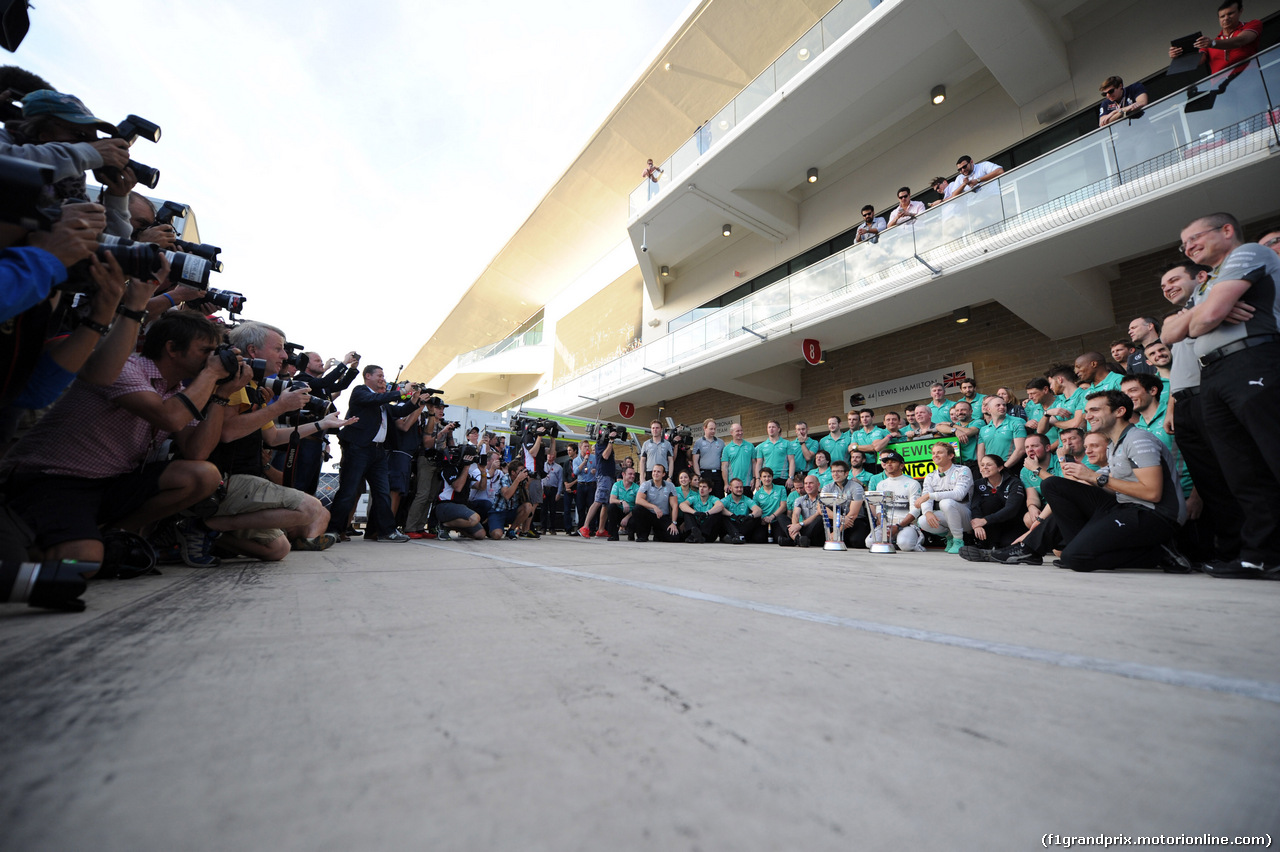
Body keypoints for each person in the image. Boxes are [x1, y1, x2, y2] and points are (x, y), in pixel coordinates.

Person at [0, 313, 232, 568]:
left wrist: (221, 395)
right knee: (80, 564)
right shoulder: (124, 368)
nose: (212, 359)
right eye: (206, 351)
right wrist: (210, 374)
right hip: (55, 478)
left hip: (111, 482)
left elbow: (197, 451)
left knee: (204, 475)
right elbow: (170, 418)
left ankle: (116, 536)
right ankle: (37, 543)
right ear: (172, 349)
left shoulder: (177, 392)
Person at [1162, 212, 1280, 577]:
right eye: (1184, 244)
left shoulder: (1247, 254)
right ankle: (1263, 553)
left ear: (1226, 231)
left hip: (1252, 360)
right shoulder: (1208, 282)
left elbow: (1208, 315)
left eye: (1195, 237)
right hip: (1213, 375)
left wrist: (1207, 313)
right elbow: (1168, 333)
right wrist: (1206, 311)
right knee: (1242, 471)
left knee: (1272, 456)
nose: (1190, 246)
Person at [967, 391, 1184, 571]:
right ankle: (1028, 548)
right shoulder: (1115, 444)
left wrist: (1093, 477)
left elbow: (1152, 493)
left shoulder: (1138, 440)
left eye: (1095, 410)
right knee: (1054, 485)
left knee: (1074, 559)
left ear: (1120, 412)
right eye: (1087, 411)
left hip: (1154, 515)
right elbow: (1091, 484)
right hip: (1123, 507)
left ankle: (1157, 553)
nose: (1087, 416)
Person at [204, 322, 353, 561]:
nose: (285, 357)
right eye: (279, 349)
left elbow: (273, 437)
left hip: (247, 478)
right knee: (311, 509)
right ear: (253, 351)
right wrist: (281, 406)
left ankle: (210, 535)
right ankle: (204, 526)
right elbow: (228, 432)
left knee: (278, 549)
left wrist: (322, 424)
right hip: (226, 478)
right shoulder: (234, 383)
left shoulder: (254, 387)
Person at [326, 365, 412, 543]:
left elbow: (400, 411)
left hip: (378, 453)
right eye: (380, 375)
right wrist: (403, 391)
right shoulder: (360, 392)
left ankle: (386, 531)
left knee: (382, 493)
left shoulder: (381, 403)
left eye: (383, 375)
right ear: (368, 376)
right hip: (359, 449)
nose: (383, 379)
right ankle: (333, 529)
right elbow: (373, 399)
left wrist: (417, 400)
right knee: (348, 491)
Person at [1167, 1, 1261, 75]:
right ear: (1219, 19)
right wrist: (1178, 55)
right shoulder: (1208, 43)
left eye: (1230, 13)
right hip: (1221, 87)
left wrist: (1213, 44)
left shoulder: (1252, 24)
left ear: (1240, 12)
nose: (1226, 18)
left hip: (1248, 75)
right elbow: (1198, 62)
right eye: (1222, 16)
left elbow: (1241, 40)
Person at [916, 442, 974, 554]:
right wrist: (927, 512)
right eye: (933, 453)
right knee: (922, 520)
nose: (935, 455)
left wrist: (930, 495)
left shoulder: (963, 470)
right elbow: (926, 499)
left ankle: (958, 540)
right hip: (948, 516)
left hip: (967, 517)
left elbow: (959, 494)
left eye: (939, 452)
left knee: (946, 503)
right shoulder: (930, 476)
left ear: (951, 456)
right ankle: (949, 536)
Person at [967, 454, 1028, 552]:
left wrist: (985, 520)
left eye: (989, 465)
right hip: (991, 526)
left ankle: (994, 545)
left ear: (1000, 468)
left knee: (1007, 545)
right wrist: (977, 523)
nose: (984, 467)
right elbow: (975, 506)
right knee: (989, 502)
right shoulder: (979, 483)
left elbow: (1011, 509)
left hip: (1012, 522)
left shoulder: (1014, 482)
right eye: (982, 465)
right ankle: (988, 544)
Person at [864, 451, 923, 551]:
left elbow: (916, 510)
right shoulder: (881, 485)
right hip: (886, 525)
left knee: (905, 545)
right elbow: (879, 508)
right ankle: (893, 542)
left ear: (901, 465)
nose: (889, 464)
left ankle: (914, 540)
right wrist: (882, 523)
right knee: (870, 543)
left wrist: (898, 526)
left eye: (893, 462)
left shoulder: (912, 483)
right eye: (887, 462)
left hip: (906, 525)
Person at [977, 395, 1027, 475]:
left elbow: (1020, 449)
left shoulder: (1016, 423)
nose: (1002, 407)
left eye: (1004, 405)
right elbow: (980, 453)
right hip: (990, 469)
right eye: (998, 405)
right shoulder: (983, 429)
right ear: (989, 409)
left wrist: (1003, 468)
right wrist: (982, 469)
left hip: (1010, 467)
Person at [826, 460, 869, 548]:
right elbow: (821, 508)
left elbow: (853, 514)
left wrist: (837, 531)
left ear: (846, 473)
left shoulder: (856, 487)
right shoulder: (828, 487)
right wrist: (841, 518)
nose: (835, 474)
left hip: (855, 520)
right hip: (837, 518)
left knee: (856, 542)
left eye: (839, 471)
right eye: (833, 471)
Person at [780, 474, 826, 548]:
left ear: (818, 485)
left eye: (811, 483)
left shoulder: (823, 499)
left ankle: (793, 541)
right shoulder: (799, 500)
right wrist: (795, 527)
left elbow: (818, 514)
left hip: (817, 532)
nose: (808, 485)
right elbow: (795, 515)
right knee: (781, 517)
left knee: (820, 517)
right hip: (804, 530)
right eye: (806, 483)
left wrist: (800, 524)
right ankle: (798, 539)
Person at [679, 478, 725, 543]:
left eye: (704, 487)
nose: (701, 489)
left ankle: (697, 535)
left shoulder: (713, 498)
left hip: (708, 533)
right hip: (696, 527)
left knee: (717, 513)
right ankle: (695, 534)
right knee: (687, 513)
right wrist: (695, 513)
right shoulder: (694, 498)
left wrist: (707, 513)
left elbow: (720, 505)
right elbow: (682, 505)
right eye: (700, 487)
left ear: (710, 490)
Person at [752, 467, 789, 543]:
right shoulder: (757, 494)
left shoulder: (781, 489)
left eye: (769, 476)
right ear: (761, 479)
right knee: (758, 539)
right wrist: (763, 519)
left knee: (778, 538)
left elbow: (783, 506)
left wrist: (772, 516)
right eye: (764, 477)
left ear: (772, 477)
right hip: (764, 520)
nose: (767, 479)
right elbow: (756, 509)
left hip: (776, 519)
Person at [719, 478, 762, 544]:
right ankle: (736, 535)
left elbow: (758, 510)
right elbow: (718, 507)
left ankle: (735, 537)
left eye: (741, 487)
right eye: (736, 487)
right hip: (731, 525)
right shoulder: (727, 499)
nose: (739, 489)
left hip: (743, 524)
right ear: (730, 488)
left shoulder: (746, 499)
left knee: (757, 518)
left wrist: (750, 516)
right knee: (722, 517)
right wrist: (732, 515)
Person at [692, 418, 726, 497]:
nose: (713, 431)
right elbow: (695, 461)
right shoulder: (698, 442)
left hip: (718, 474)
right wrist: (699, 476)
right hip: (705, 474)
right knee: (706, 497)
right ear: (705, 428)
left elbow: (724, 460)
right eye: (711, 429)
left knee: (719, 497)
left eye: (714, 429)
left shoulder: (721, 442)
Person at [753, 420, 790, 493]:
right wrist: (757, 479)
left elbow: (791, 461)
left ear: (778, 429)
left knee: (783, 502)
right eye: (769, 427)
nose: (771, 429)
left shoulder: (787, 443)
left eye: (773, 427)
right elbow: (759, 463)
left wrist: (790, 478)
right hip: (767, 479)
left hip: (782, 478)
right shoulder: (761, 446)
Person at [720, 422, 755, 497]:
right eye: (737, 431)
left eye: (741, 430)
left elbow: (754, 463)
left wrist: (754, 478)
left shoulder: (750, 446)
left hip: (747, 484)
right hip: (732, 485)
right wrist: (726, 483)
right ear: (731, 433)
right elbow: (724, 467)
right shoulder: (727, 448)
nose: (740, 433)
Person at [605, 465, 639, 541]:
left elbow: (638, 505)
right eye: (630, 474)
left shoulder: (636, 488)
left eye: (634, 474)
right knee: (611, 507)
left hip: (631, 513)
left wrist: (627, 518)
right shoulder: (616, 485)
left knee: (638, 510)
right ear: (623, 474)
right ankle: (613, 535)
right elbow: (612, 500)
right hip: (619, 511)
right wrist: (622, 502)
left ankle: (631, 533)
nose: (633, 476)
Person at [572, 439, 597, 536]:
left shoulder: (594, 458)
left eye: (588, 446)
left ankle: (591, 529)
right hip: (581, 485)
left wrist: (595, 471)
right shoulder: (576, 460)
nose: (587, 448)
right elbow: (576, 472)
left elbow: (599, 469)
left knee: (591, 506)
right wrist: (585, 461)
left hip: (591, 485)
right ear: (580, 447)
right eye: (585, 446)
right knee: (580, 507)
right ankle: (580, 528)